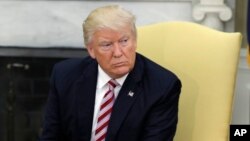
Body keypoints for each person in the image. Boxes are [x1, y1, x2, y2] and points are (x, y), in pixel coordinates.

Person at [39, 5, 181, 141]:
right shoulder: (65, 75)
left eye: (124, 41)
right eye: (107, 45)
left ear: (135, 41)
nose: (118, 53)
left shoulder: (162, 86)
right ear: (91, 50)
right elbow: (51, 136)